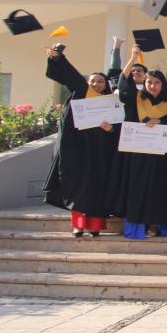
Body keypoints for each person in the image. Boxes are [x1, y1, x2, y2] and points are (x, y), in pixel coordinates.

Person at [104, 45, 167, 239]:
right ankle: (136, 225)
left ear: (163, 84)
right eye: (149, 82)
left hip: (161, 158)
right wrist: (132, 59)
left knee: (158, 190)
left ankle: (155, 225)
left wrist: (162, 121)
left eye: (157, 82)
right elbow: (123, 83)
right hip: (138, 154)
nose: (152, 85)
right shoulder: (136, 99)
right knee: (137, 188)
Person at [42, 44, 117, 237]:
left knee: (97, 190)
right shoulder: (81, 94)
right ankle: (78, 225)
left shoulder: (112, 103)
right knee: (77, 188)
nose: (96, 84)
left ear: (106, 84)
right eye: (93, 81)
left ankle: (95, 226)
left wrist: (111, 130)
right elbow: (72, 77)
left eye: (101, 81)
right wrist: (58, 58)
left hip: (101, 155)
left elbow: (120, 130)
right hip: (78, 152)